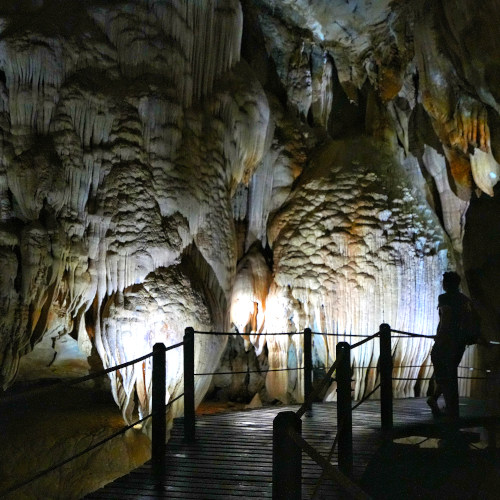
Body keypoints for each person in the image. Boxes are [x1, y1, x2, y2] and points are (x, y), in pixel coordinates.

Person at [427, 271, 472, 420]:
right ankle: (441, 401)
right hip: (460, 342)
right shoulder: (464, 299)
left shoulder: (444, 298)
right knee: (450, 372)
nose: (443, 284)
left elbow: (445, 319)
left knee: (441, 371)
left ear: (448, 284)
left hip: (446, 341)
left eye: (444, 282)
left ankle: (449, 407)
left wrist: (440, 337)